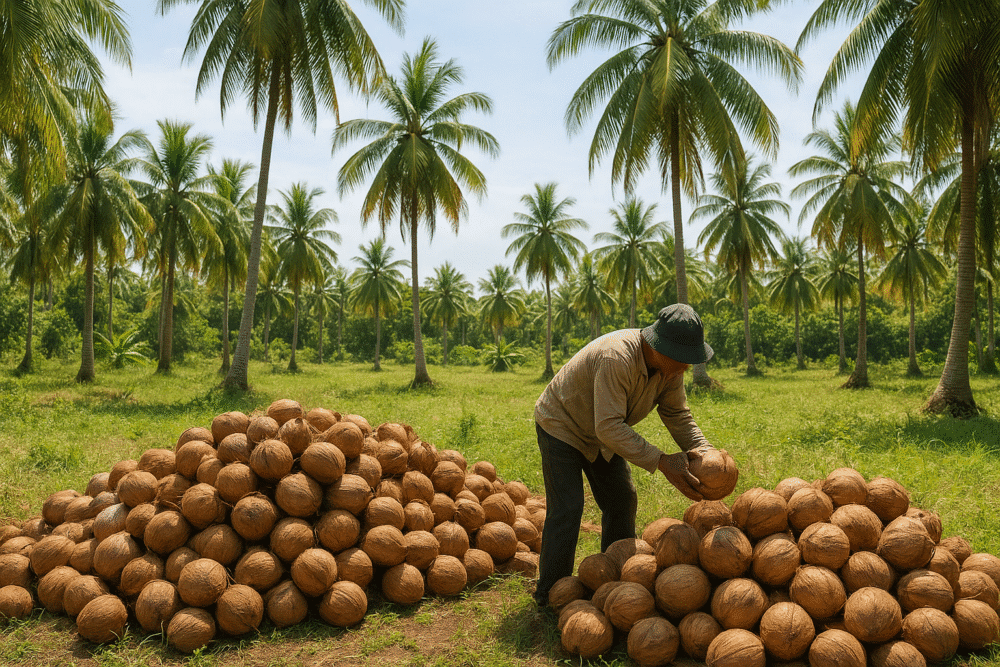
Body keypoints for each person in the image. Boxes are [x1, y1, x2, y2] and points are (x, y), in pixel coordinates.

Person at [532, 303, 718, 606]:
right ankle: (550, 593)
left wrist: (706, 452)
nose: (686, 367)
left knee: (622, 499)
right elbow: (608, 426)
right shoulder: (616, 356)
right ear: (660, 348)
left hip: (604, 430)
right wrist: (662, 460)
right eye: (683, 360)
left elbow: (677, 414)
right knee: (567, 507)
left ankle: (615, 576)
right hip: (562, 425)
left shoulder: (669, 369)